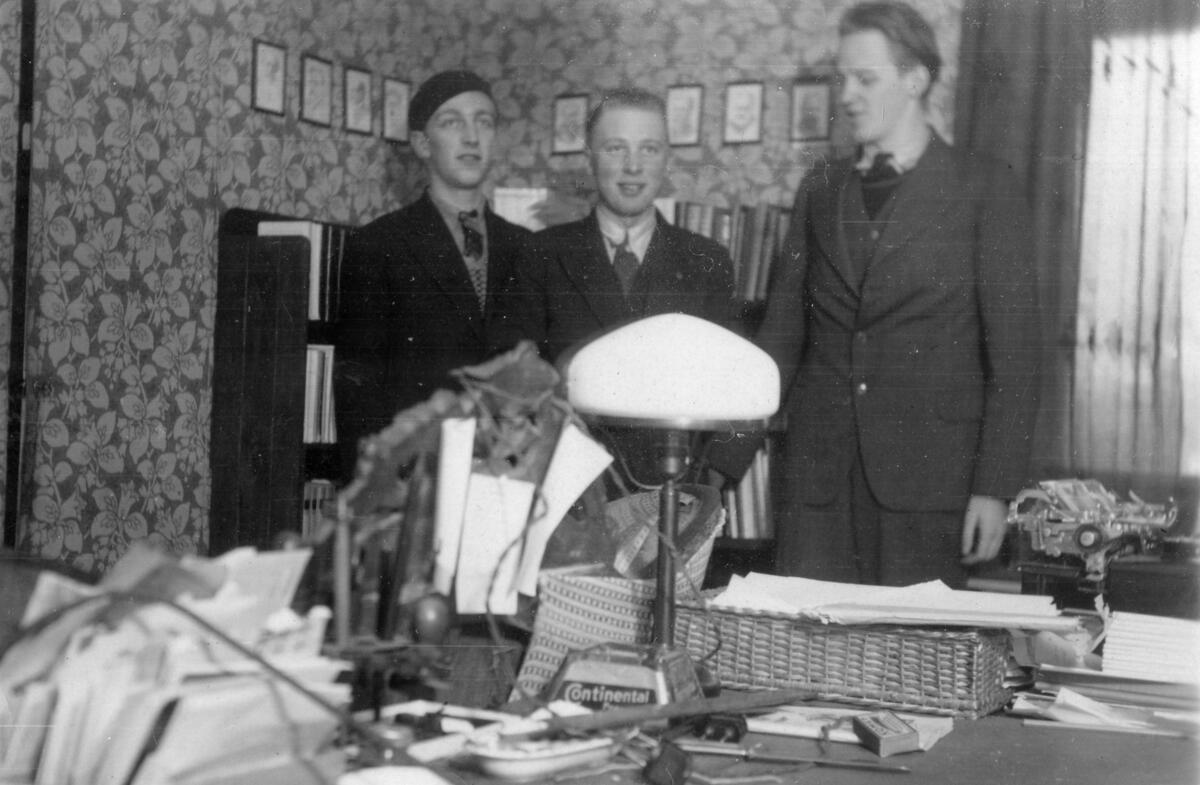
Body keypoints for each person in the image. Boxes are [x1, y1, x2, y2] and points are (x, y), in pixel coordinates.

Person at [739, 1, 1040, 587]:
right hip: (817, 485)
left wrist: (995, 489)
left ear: (915, 80)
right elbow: (780, 338)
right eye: (842, 79)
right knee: (804, 640)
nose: (847, 96)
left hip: (930, 488)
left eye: (865, 79)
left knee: (910, 644)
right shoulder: (820, 188)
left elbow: (1016, 361)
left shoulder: (984, 188)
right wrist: (718, 466)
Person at [488, 87, 736, 489]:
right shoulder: (541, 255)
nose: (633, 166)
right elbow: (513, 383)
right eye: (616, 148)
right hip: (568, 489)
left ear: (667, 159)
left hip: (675, 487)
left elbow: (731, 381)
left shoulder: (707, 261)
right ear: (590, 158)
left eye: (649, 149)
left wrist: (713, 479)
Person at [334, 70, 531, 474]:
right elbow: (359, 393)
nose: (471, 137)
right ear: (422, 143)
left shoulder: (529, 248)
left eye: (483, 122)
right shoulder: (379, 244)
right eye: (452, 122)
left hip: (509, 476)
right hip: (416, 477)